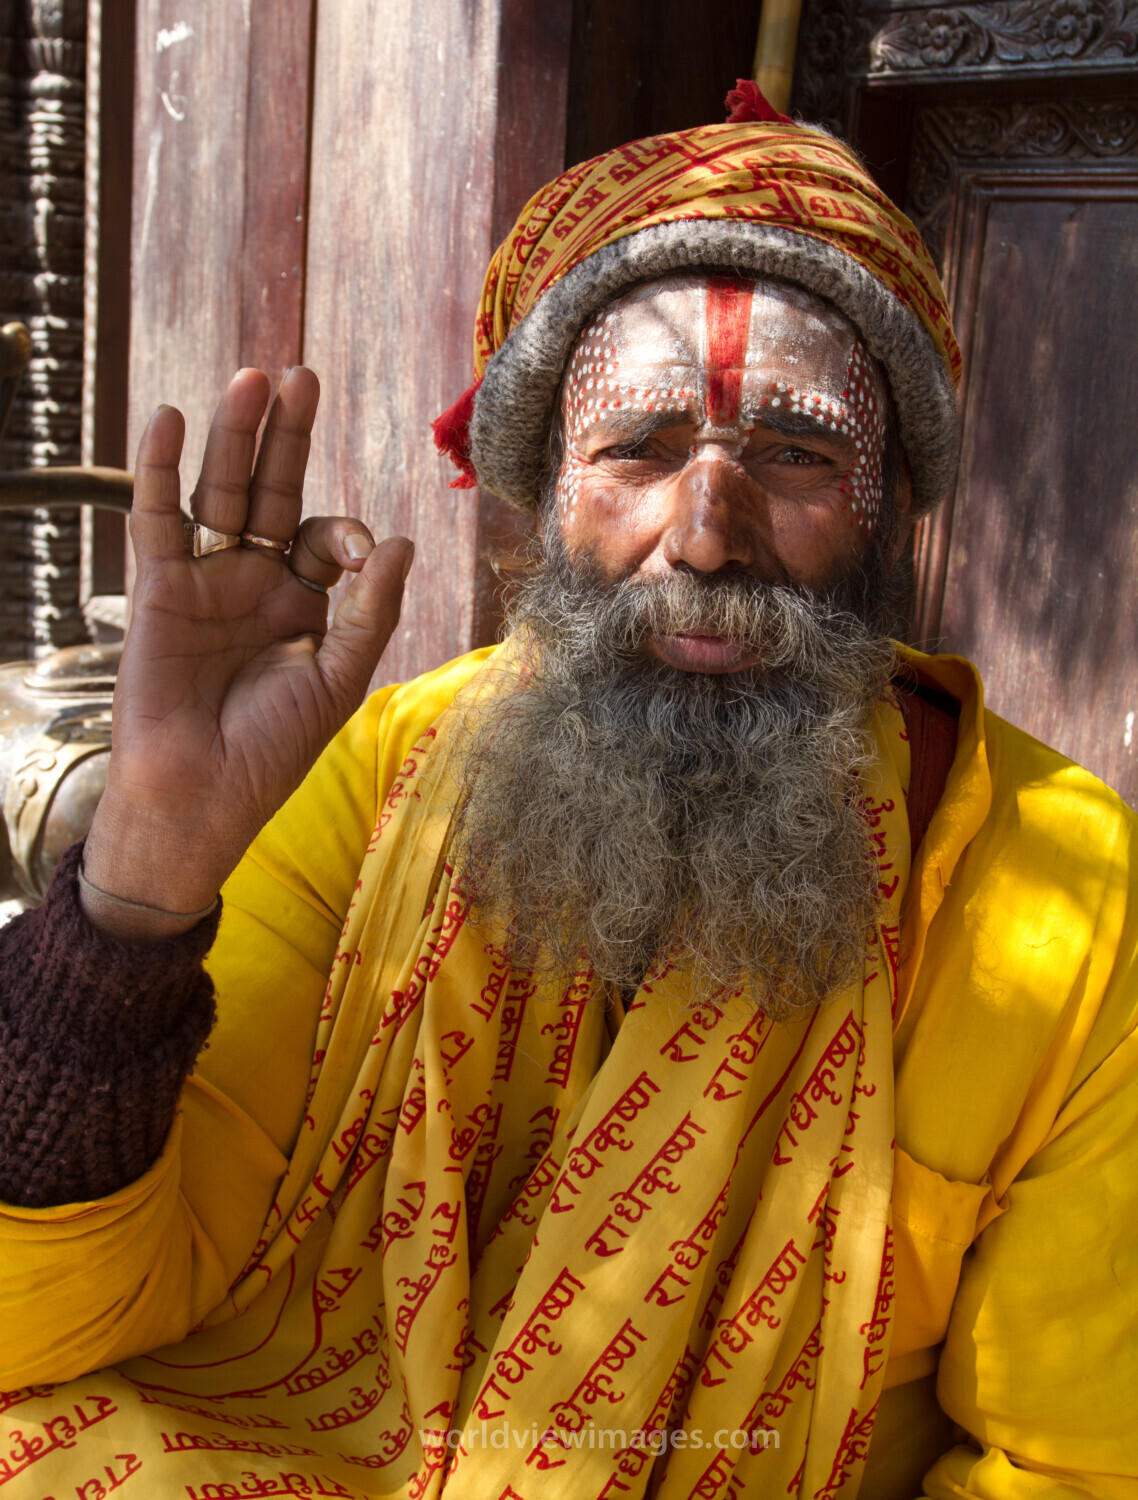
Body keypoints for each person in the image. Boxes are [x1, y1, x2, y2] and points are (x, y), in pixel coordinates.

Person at [1, 85, 1135, 1500]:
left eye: (795, 452)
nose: (704, 537)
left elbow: (1075, 1467)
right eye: (637, 448)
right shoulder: (385, 773)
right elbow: (45, 1326)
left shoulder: (1073, 899)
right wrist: (142, 879)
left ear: (891, 504)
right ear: (542, 491)